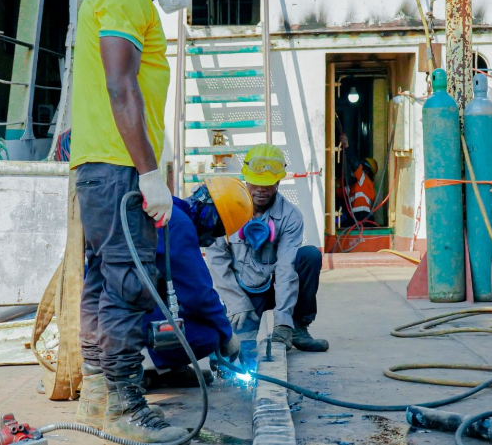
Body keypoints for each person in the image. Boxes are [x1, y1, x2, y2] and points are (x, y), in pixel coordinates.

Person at [69, 0, 215, 442]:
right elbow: (120, 84)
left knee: (104, 280)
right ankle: (126, 408)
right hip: (119, 168)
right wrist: (150, 174)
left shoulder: (120, 0)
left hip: (105, 167)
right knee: (129, 284)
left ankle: (97, 396)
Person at [206, 144, 329, 371]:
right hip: (242, 289)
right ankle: (239, 324)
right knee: (237, 353)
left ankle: (297, 328)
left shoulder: (291, 216)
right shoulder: (225, 210)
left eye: (267, 184)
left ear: (278, 181)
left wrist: (283, 322)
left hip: (274, 284)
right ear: (245, 179)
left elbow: (286, 268)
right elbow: (216, 263)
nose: (261, 190)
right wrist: (237, 304)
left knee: (309, 256)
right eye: (255, 183)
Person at [142, 177, 253, 387]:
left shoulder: (172, 209)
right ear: (211, 213)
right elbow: (198, 294)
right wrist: (226, 334)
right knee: (207, 336)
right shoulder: (179, 224)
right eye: (217, 229)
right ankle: (136, 368)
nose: (212, 239)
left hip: (117, 302)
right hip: (124, 312)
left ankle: (167, 370)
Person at [337, 132, 377, 227]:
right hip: (354, 220)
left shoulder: (365, 181)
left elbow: (355, 164)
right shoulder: (354, 187)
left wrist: (346, 147)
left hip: (364, 219)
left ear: (366, 171)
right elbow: (338, 193)